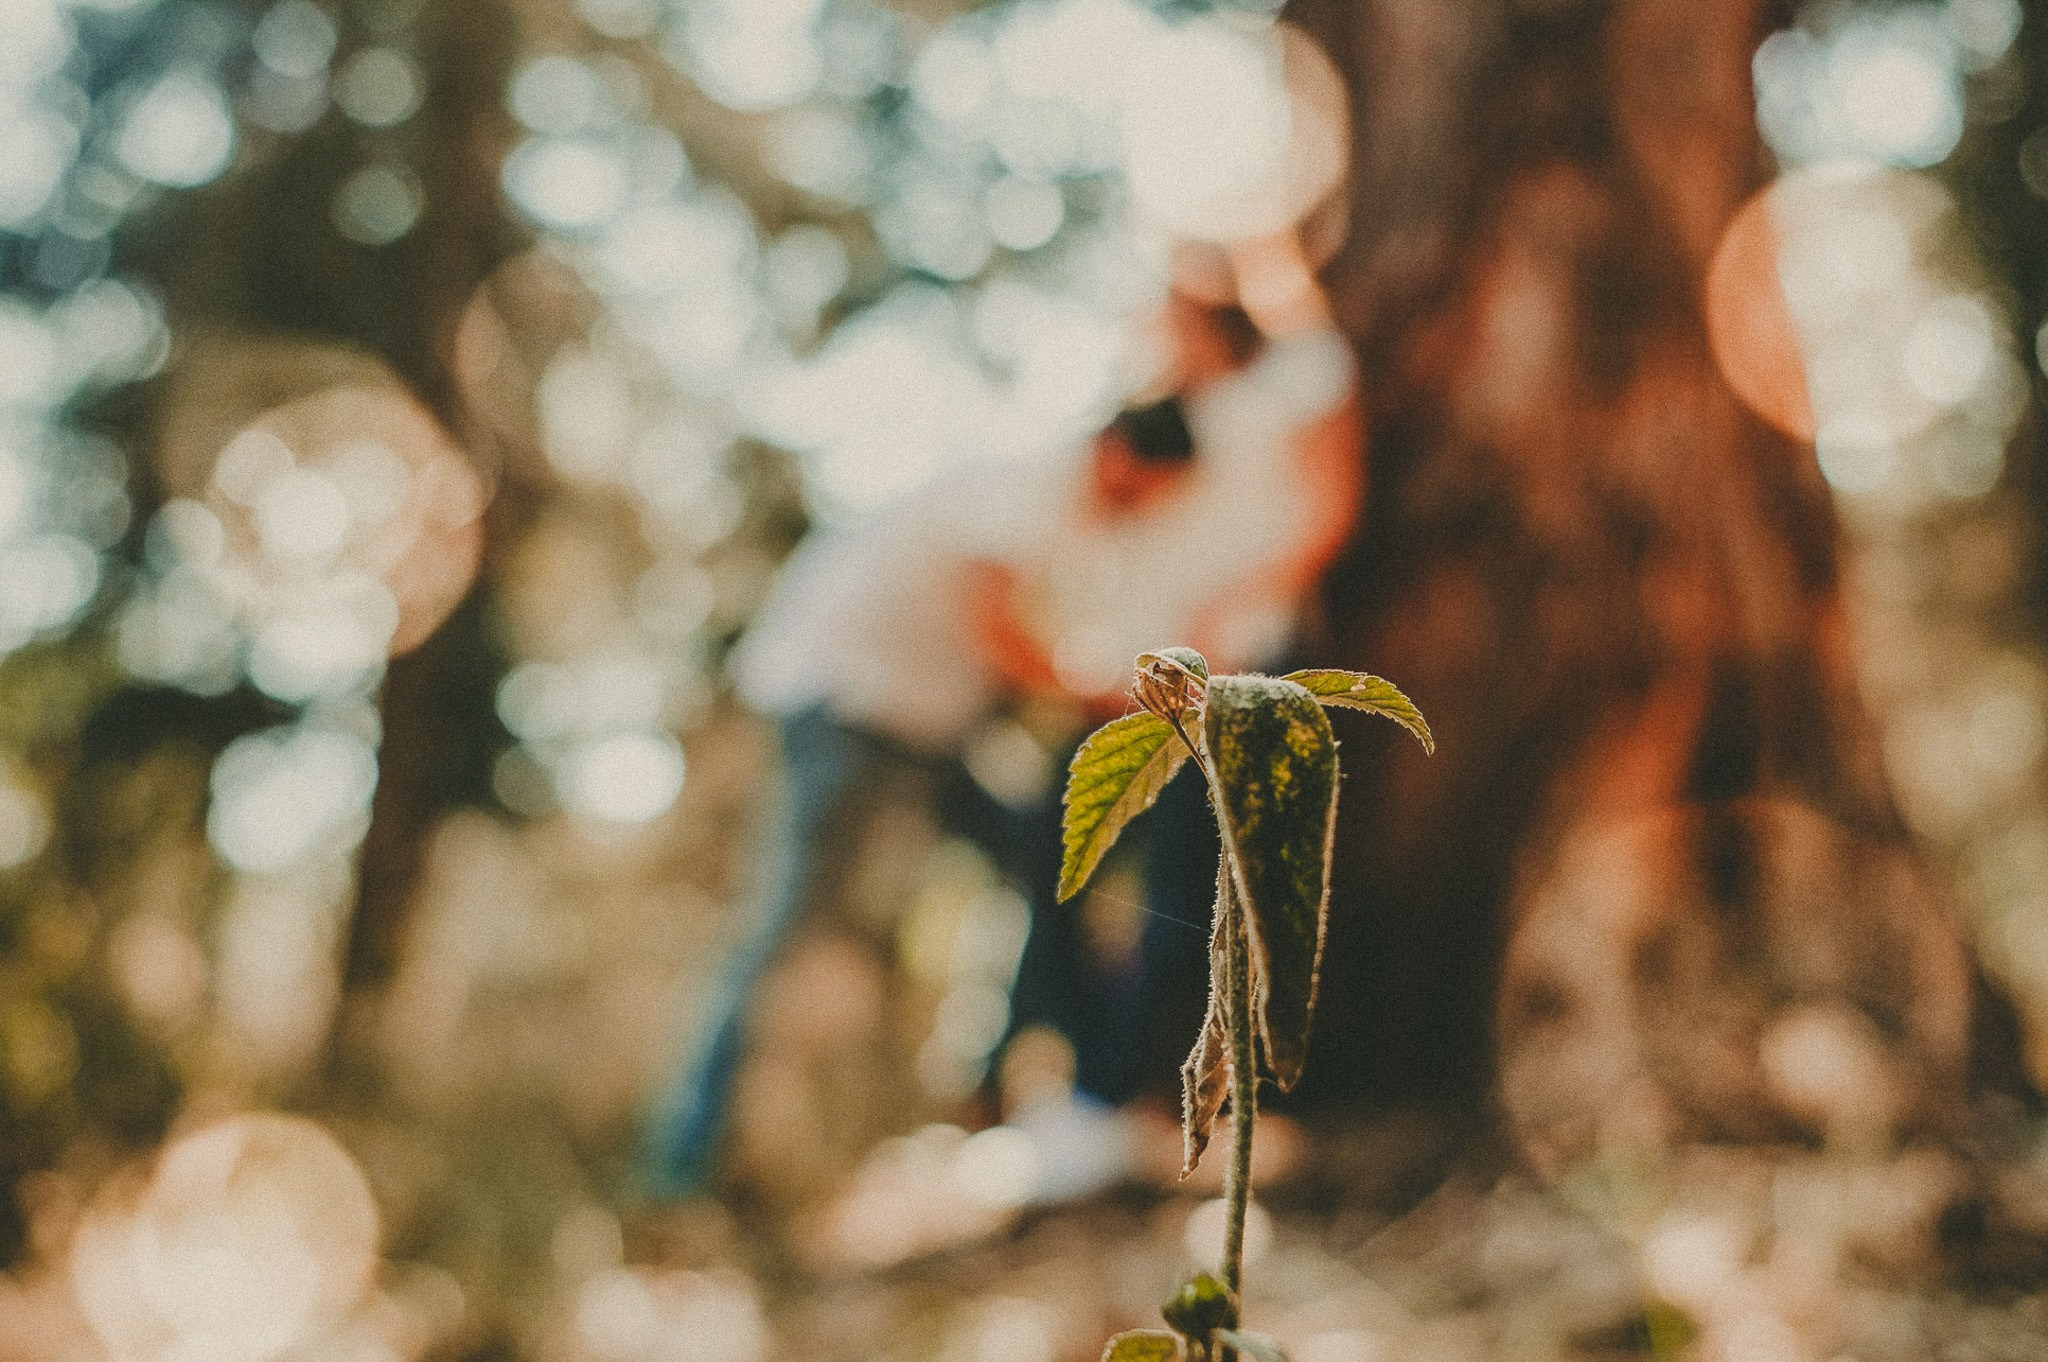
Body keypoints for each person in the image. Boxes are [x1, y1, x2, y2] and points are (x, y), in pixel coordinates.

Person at [640, 235, 1363, 1202]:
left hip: (929, 728)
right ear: (1120, 460)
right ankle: (689, 1170)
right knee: (800, 929)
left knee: (1040, 854)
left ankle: (1038, 1082)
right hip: (849, 706)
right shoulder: (1033, 485)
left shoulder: (1079, 507)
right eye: (1145, 499)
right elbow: (1000, 630)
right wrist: (1108, 695)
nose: (1142, 519)